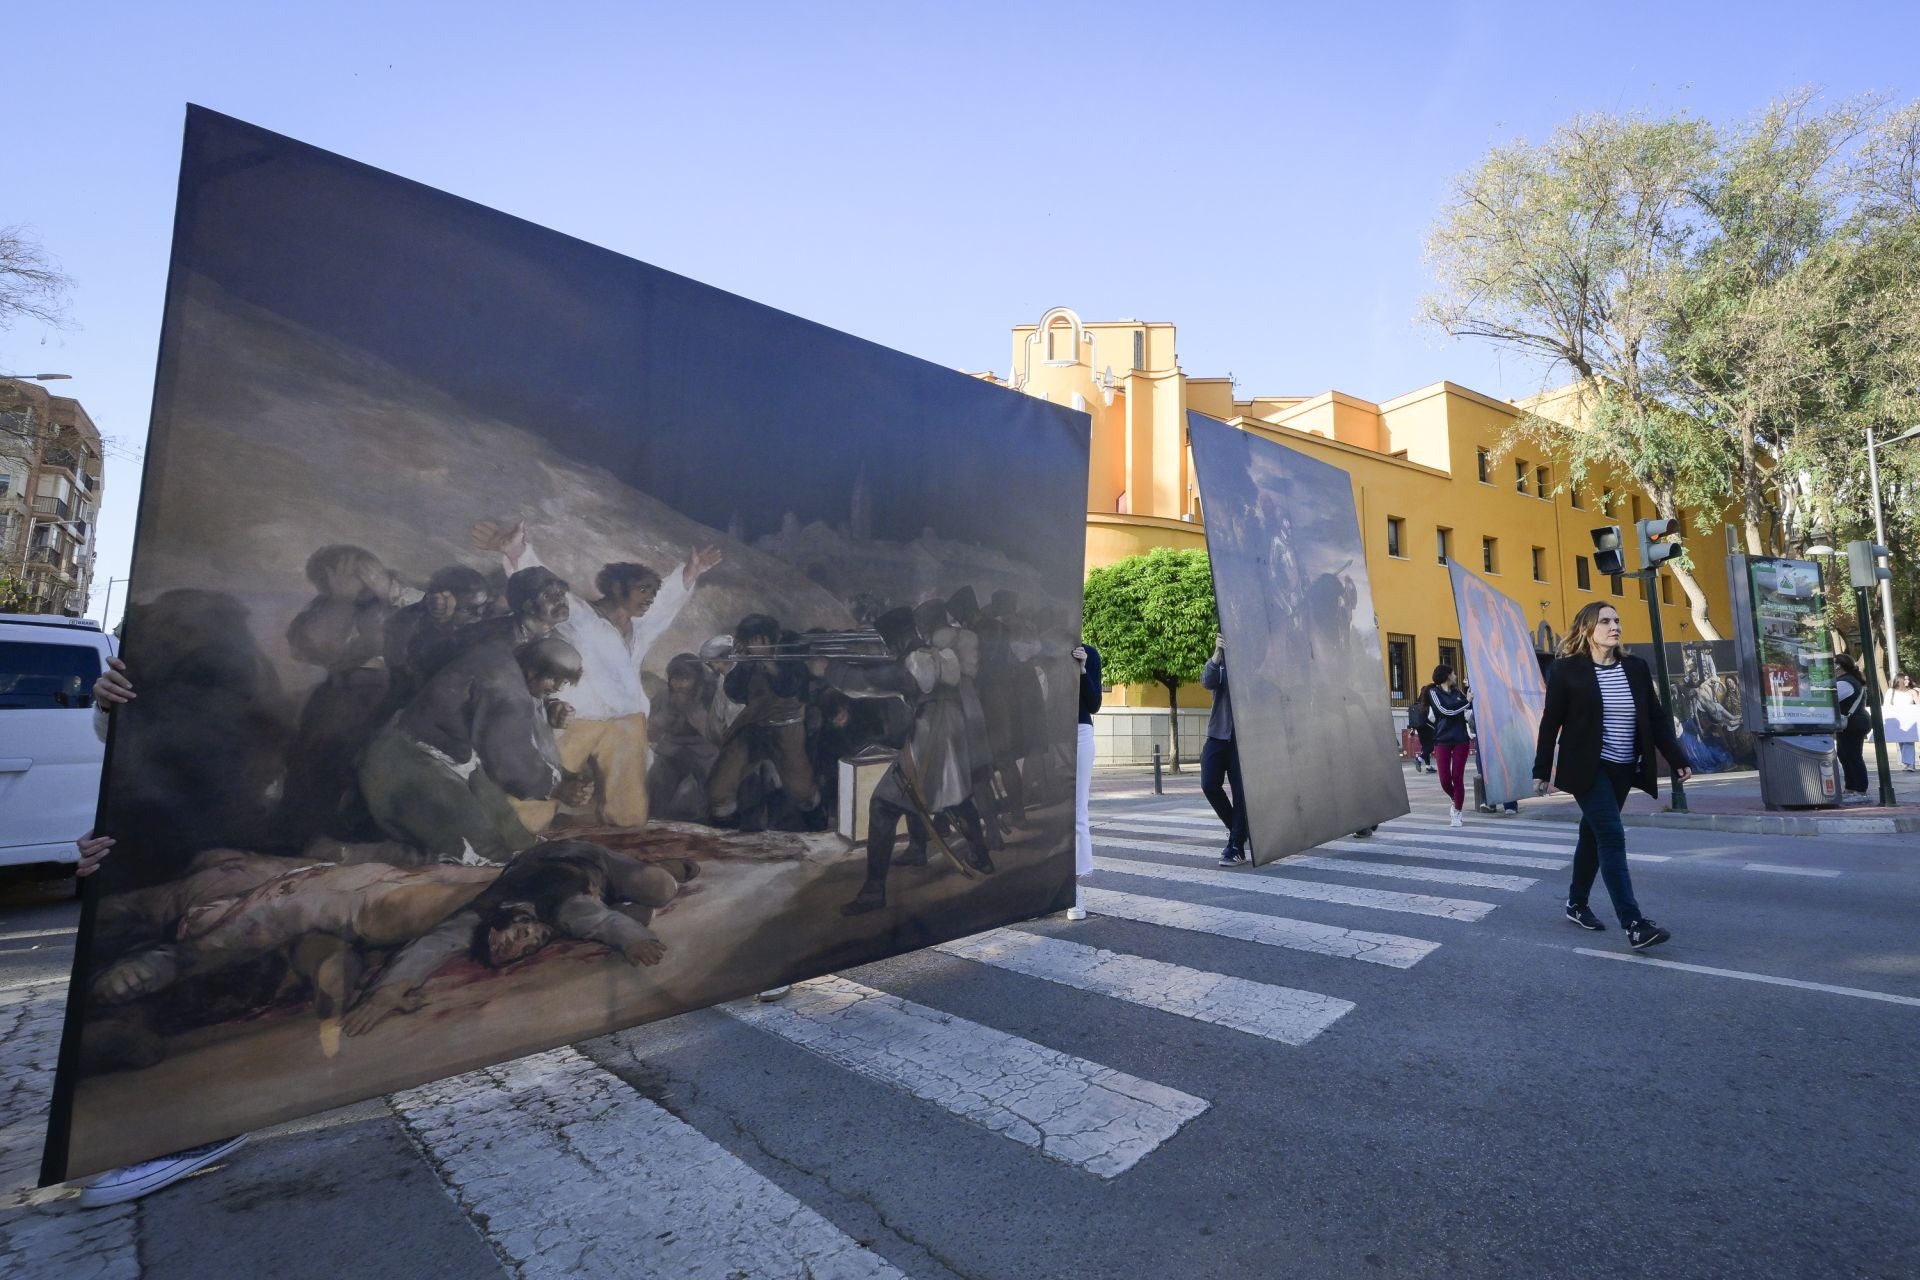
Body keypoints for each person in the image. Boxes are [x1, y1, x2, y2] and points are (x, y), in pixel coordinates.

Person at [76, 663, 249, 1208]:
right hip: (159, 836)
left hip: (218, 833)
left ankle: (188, 1129)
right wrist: (109, 705)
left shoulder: (232, 672)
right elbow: (126, 748)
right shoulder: (160, 654)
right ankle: (178, 1127)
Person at [1533, 603, 1693, 950]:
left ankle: (1576, 903)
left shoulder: (1635, 668)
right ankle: (1633, 923)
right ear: (1587, 629)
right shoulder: (1566, 671)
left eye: (1617, 620)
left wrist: (1677, 757)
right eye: (1605, 621)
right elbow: (1550, 723)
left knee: (1592, 835)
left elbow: (1656, 717)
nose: (1614, 626)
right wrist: (1541, 771)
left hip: (1624, 767)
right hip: (1588, 769)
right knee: (1612, 835)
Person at [1199, 633, 1250, 866]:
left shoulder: (1253, 669)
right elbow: (1207, 681)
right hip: (1218, 735)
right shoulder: (1223, 667)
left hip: (1245, 742)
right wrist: (1217, 655)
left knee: (1241, 794)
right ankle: (1238, 831)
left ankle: (1237, 847)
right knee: (1209, 784)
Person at [1066, 638, 1102, 920]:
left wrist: (1082, 670)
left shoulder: (1089, 653)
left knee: (1077, 810)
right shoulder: (1038, 646)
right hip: (1044, 733)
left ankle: (1074, 890)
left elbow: (1094, 703)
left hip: (1079, 731)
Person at [1424, 665, 1472, 827]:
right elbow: (1446, 711)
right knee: (1445, 780)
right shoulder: (1433, 692)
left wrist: (1470, 700)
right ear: (1447, 675)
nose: (1456, 675)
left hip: (1461, 739)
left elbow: (1467, 710)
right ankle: (1454, 797)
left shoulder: (1458, 693)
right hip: (1442, 739)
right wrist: (1467, 702)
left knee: (1457, 777)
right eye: (1453, 673)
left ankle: (1457, 812)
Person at [1832, 653, 1872, 800]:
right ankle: (1851, 788)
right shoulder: (1850, 680)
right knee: (1844, 755)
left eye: (1833, 663)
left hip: (1853, 724)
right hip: (1853, 723)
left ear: (1839, 666)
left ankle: (1860, 790)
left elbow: (1831, 699)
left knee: (1853, 756)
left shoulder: (1845, 682)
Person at [1887, 673, 1919, 772]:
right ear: (1899, 680)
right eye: (1905, 679)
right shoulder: (1891, 692)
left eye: (1908, 679)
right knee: (1901, 741)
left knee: (1908, 741)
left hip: (1909, 719)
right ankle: (1907, 763)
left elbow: (1918, 705)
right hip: (1896, 720)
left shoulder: (1912, 691)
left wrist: (1916, 693)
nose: (1907, 681)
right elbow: (1887, 705)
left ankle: (1910, 764)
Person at [1407, 675, 1435, 773]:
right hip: (1428, 726)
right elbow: (1431, 716)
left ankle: (1428, 767)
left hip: (1419, 727)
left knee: (1425, 746)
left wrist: (1412, 729)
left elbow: (1414, 718)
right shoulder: (1427, 703)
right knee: (1431, 746)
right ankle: (1419, 760)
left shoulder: (1417, 703)